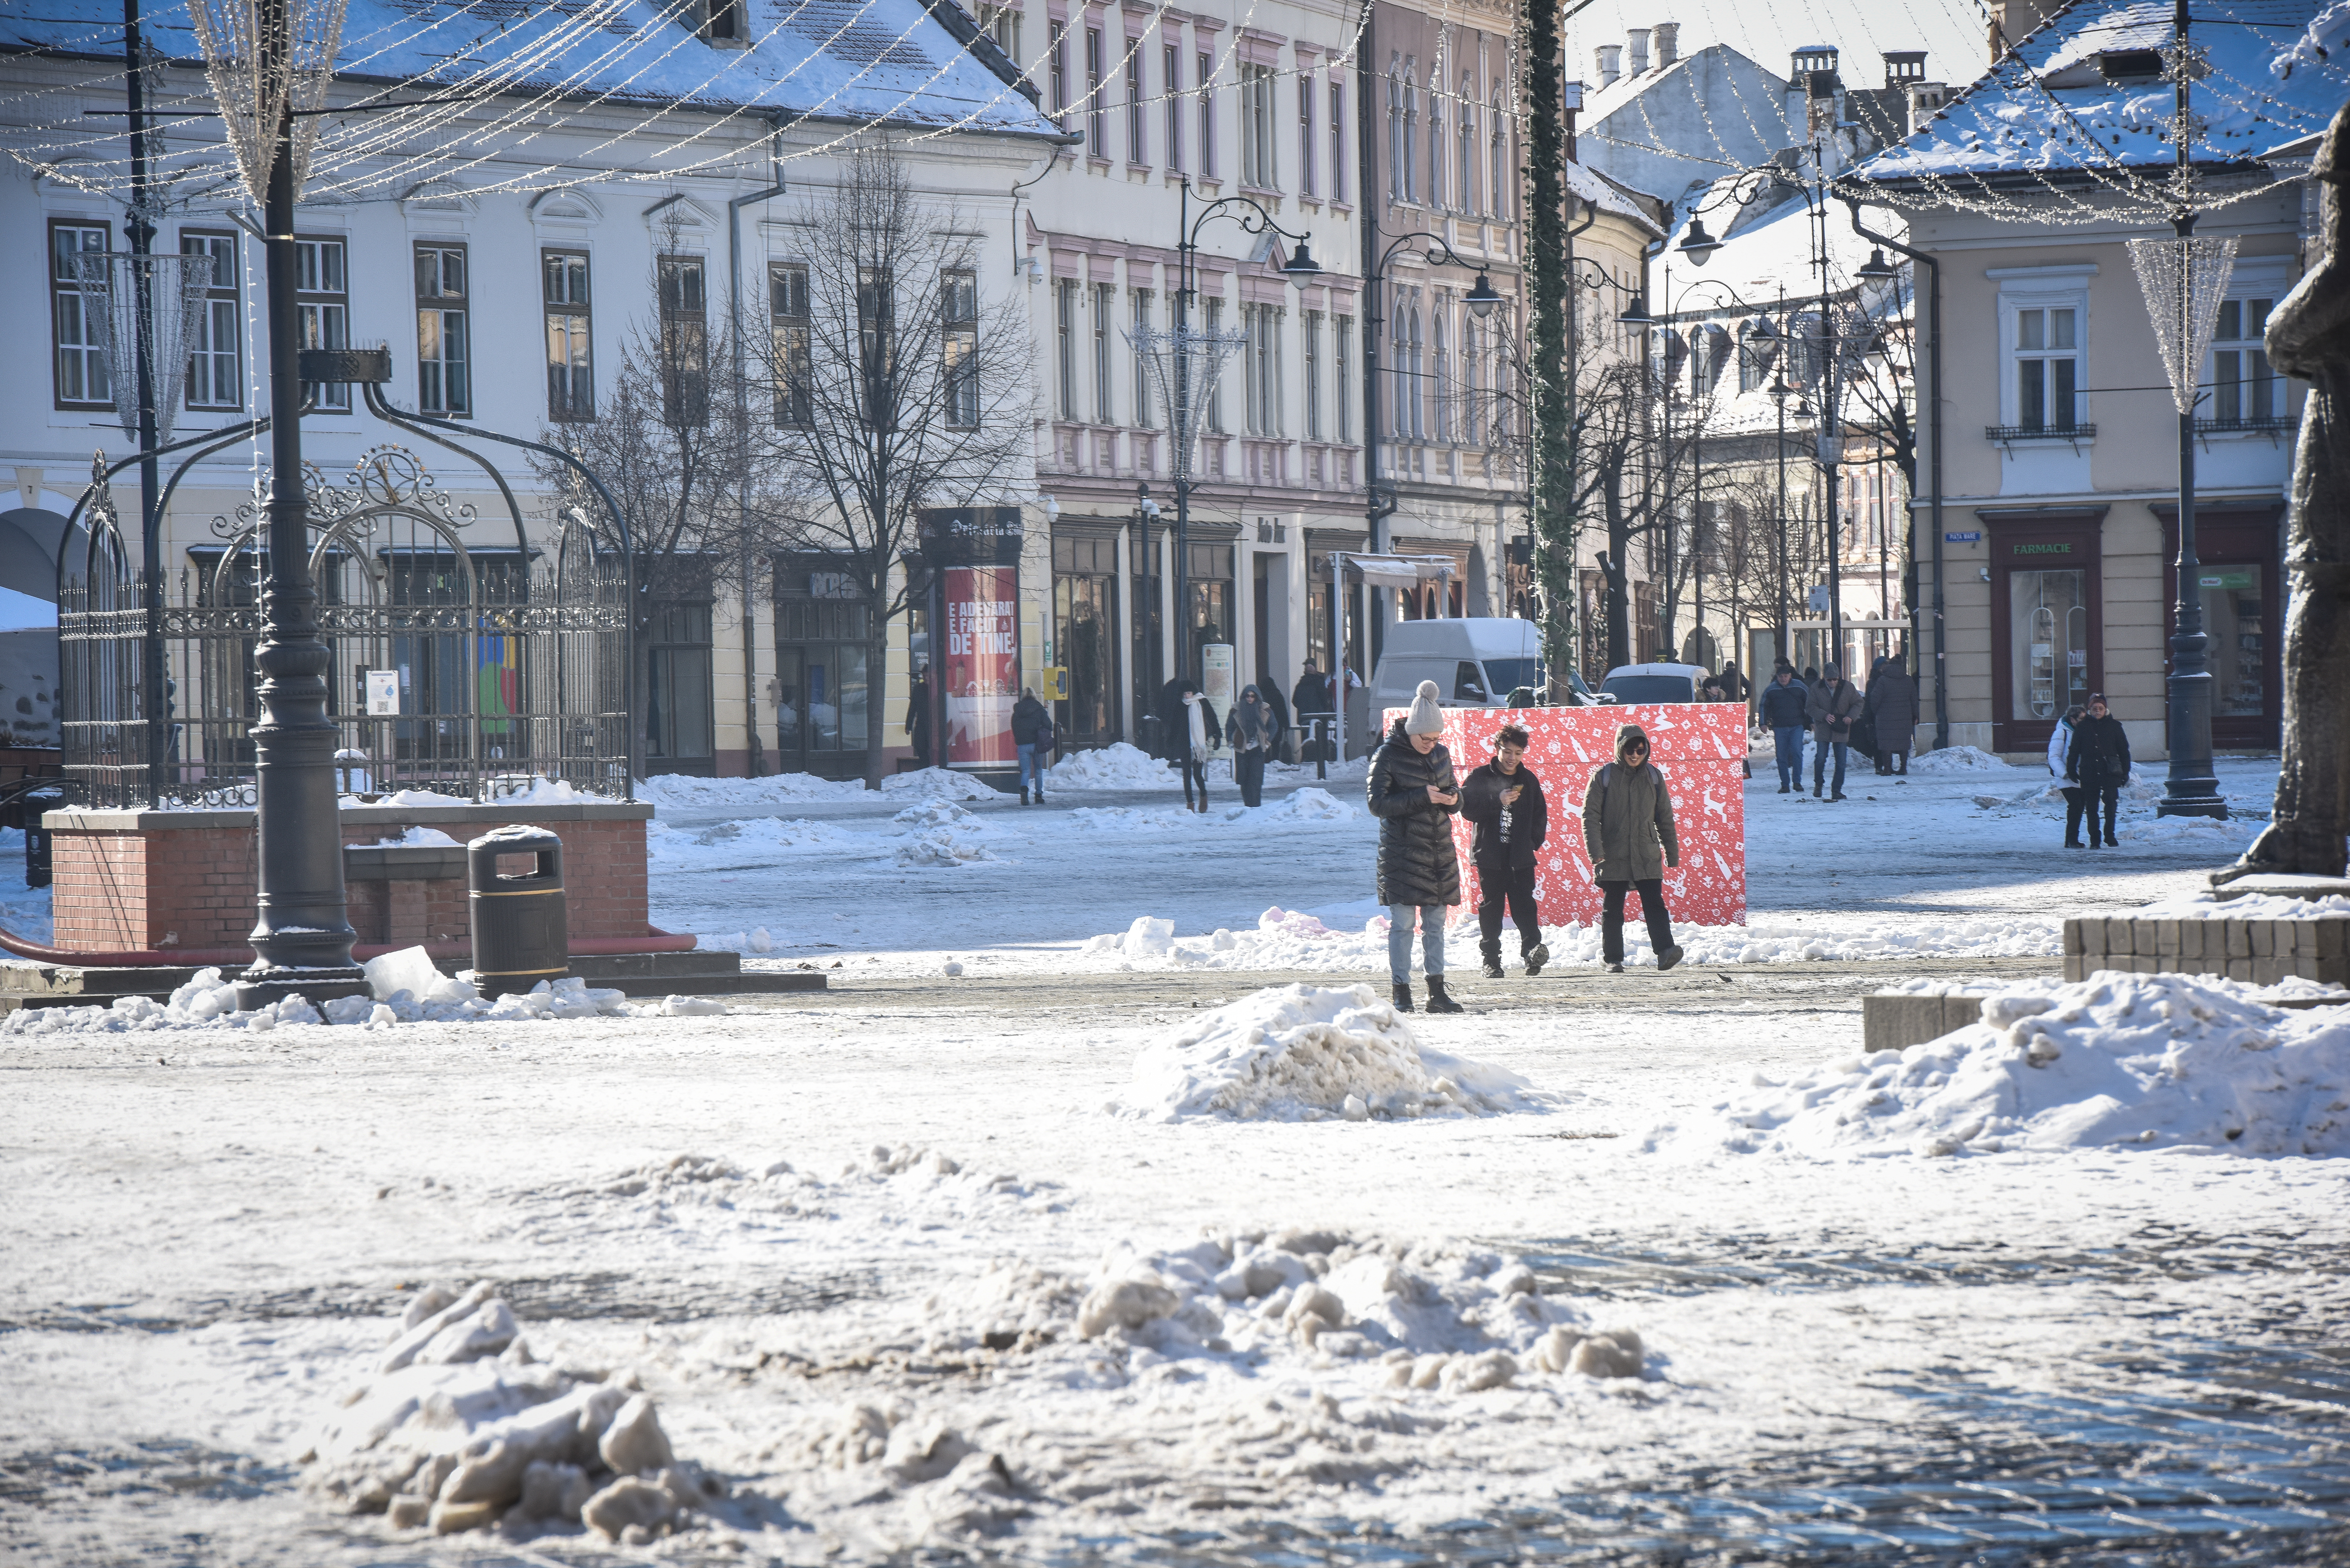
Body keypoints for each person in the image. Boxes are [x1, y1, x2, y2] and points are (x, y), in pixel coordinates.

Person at [1367, 680, 1464, 1013]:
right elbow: (1376, 804)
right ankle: (1401, 991)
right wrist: (1421, 797)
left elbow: (1454, 791)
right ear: (1411, 731)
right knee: (1403, 926)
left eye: (1436, 739)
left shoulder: (1441, 755)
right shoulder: (1387, 755)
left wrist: (1453, 799)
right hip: (1402, 856)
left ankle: (1436, 991)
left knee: (1436, 926)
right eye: (1425, 739)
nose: (1431, 744)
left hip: (1438, 853)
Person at [1582, 722, 1683, 974]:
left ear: (1646, 749)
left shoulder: (1654, 777)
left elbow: (1665, 817)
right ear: (1619, 748)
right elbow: (1590, 816)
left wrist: (1672, 852)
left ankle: (1666, 951)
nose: (1635, 755)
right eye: (1629, 749)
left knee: (1654, 904)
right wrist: (1596, 852)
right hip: (1613, 854)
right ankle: (1613, 958)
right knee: (1613, 908)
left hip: (1646, 853)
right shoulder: (1603, 776)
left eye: (1640, 749)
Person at [1459, 721, 1549, 978]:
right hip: (1490, 856)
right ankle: (1491, 960)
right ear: (1497, 748)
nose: (1512, 758)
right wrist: (1496, 801)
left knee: (1525, 906)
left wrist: (1532, 843)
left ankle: (1532, 953)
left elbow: (1540, 815)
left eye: (1518, 753)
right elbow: (1466, 809)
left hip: (1520, 857)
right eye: (1507, 752)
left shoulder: (1528, 780)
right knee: (1492, 908)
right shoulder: (1480, 776)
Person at [2067, 693, 2132, 848]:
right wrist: (2071, 769)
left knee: (2111, 804)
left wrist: (2125, 772)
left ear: (2105, 709)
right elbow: (2074, 750)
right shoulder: (2082, 727)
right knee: (2091, 808)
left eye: (2101, 708)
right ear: (2090, 710)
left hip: (2110, 772)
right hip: (2089, 772)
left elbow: (2124, 751)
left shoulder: (2115, 726)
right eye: (2095, 708)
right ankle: (2095, 839)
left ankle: (2110, 836)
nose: (2098, 711)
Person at [1806, 664, 1862, 801]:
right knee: (1821, 758)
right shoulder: (1816, 688)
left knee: (1841, 761)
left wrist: (1851, 716)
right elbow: (1810, 707)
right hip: (1823, 728)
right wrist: (1824, 715)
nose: (1833, 683)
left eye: (1835, 680)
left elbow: (1858, 703)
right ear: (1824, 678)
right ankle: (1818, 783)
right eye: (1829, 680)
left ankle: (1837, 790)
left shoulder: (1848, 687)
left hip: (1841, 727)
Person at [1759, 661, 1810, 794]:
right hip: (1780, 727)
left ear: (1790, 676)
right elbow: (1763, 705)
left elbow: (1810, 704)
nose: (1783, 678)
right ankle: (1785, 785)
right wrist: (1762, 723)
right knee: (1781, 757)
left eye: (1785, 676)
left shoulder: (1800, 687)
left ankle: (1797, 782)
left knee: (1797, 753)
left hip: (1797, 726)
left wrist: (1811, 721)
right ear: (1777, 677)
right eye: (1780, 676)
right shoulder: (1771, 689)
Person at [1864, 656, 1919, 776]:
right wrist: (1915, 715)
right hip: (1905, 718)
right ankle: (1903, 768)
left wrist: (1876, 712)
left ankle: (1887, 769)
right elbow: (1914, 699)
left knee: (1886, 743)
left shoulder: (1883, 680)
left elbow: (1874, 700)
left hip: (1885, 718)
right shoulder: (1908, 680)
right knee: (1904, 742)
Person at [1227, 686, 1276, 807]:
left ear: (1257, 697)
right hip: (1241, 747)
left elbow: (1274, 726)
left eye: (1252, 696)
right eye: (1247, 696)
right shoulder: (1236, 709)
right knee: (1244, 778)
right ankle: (1248, 805)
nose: (1250, 699)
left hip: (1258, 747)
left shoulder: (1266, 709)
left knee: (1256, 778)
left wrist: (1267, 740)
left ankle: (1256, 806)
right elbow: (1229, 726)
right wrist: (1231, 740)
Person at [2049, 703, 2088, 848]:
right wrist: (2065, 773)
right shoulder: (2062, 733)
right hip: (2065, 778)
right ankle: (2072, 840)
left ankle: (2071, 840)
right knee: (2076, 805)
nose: (2085, 721)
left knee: (2079, 806)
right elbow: (2053, 757)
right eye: (2082, 718)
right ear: (2073, 719)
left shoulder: (2083, 731)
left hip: (2080, 777)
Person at [1177, 682, 1220, 812]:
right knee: (1187, 775)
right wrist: (1171, 742)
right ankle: (1190, 804)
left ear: (1194, 693)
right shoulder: (1181, 705)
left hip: (1199, 744)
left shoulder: (1202, 702)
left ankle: (1203, 795)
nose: (1187, 696)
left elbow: (1213, 718)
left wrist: (1218, 736)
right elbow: (1175, 724)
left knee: (1197, 774)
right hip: (1184, 743)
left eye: (1189, 693)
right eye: (1185, 694)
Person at [1010, 687, 1052, 805]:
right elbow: (1049, 725)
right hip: (1037, 744)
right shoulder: (1040, 709)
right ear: (1034, 696)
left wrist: (1020, 738)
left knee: (1026, 771)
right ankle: (1039, 796)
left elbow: (1014, 727)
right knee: (1038, 770)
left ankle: (1024, 794)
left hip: (1023, 745)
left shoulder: (1017, 711)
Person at [1292, 661, 1330, 761]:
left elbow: (1295, 701)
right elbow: (1325, 700)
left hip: (1304, 717)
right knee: (1320, 740)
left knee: (1306, 739)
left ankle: (1307, 758)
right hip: (1319, 717)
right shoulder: (1320, 683)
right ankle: (1320, 760)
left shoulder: (1300, 685)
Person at [1256, 675, 1293, 763]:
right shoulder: (1277, 695)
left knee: (1264, 742)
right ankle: (1275, 760)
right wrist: (1286, 724)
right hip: (1277, 723)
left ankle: (1265, 760)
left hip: (1264, 723)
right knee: (1276, 743)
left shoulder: (1260, 696)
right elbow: (1283, 710)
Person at [905, 666, 931, 767]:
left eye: (927, 676)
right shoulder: (918, 689)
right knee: (920, 747)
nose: (925, 678)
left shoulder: (937, 688)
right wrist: (908, 726)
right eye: (924, 676)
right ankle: (925, 767)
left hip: (934, 726)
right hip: (921, 724)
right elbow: (912, 708)